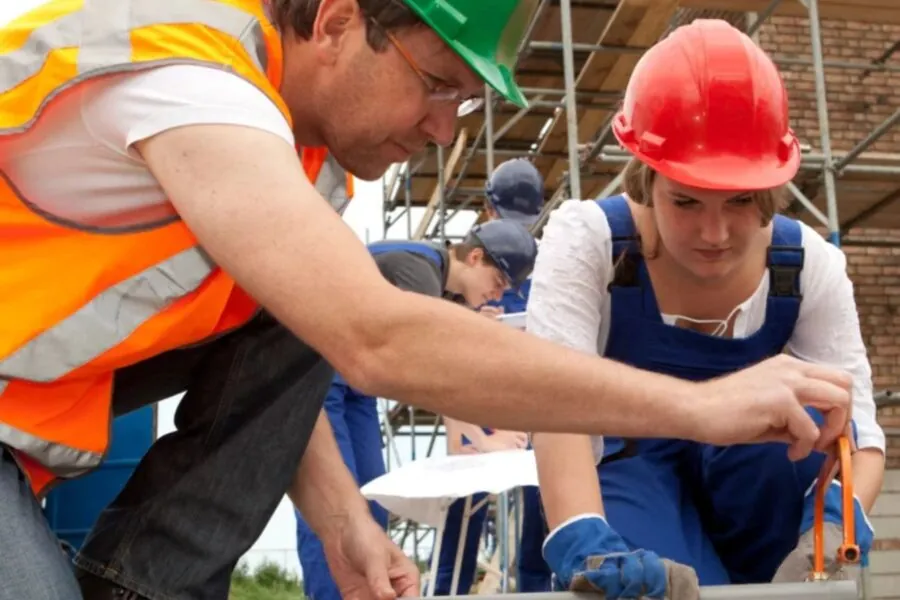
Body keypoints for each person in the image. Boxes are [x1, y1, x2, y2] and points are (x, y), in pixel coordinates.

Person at [0, 2, 854, 599]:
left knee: (317, 288)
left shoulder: (297, 158)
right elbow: (378, 340)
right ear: (337, 20)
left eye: (465, 101)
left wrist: (343, 523)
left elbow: (307, 335)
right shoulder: (185, 70)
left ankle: (144, 589)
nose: (446, 128)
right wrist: (700, 407)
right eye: (438, 83)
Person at [519, 19, 885, 599]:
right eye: (685, 200)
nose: (713, 233)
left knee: (803, 416)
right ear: (647, 176)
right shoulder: (590, 242)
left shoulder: (807, 264)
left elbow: (857, 422)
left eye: (739, 201)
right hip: (628, 465)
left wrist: (836, 525)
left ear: (769, 186)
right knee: (652, 576)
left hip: (756, 478)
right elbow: (556, 404)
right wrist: (584, 537)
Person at [294, 218, 539, 600]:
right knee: (332, 509)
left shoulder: (444, 292)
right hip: (315, 374)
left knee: (371, 505)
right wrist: (482, 437)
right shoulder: (416, 268)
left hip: (354, 387)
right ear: (475, 258)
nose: (497, 295)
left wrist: (465, 439)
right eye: (498, 283)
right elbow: (430, 372)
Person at [431, 157, 544, 595]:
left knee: (540, 513)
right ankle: (449, 591)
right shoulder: (467, 266)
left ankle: (537, 592)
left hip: (530, 406)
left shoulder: (539, 268)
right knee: (465, 510)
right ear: (488, 211)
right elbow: (443, 357)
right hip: (475, 401)